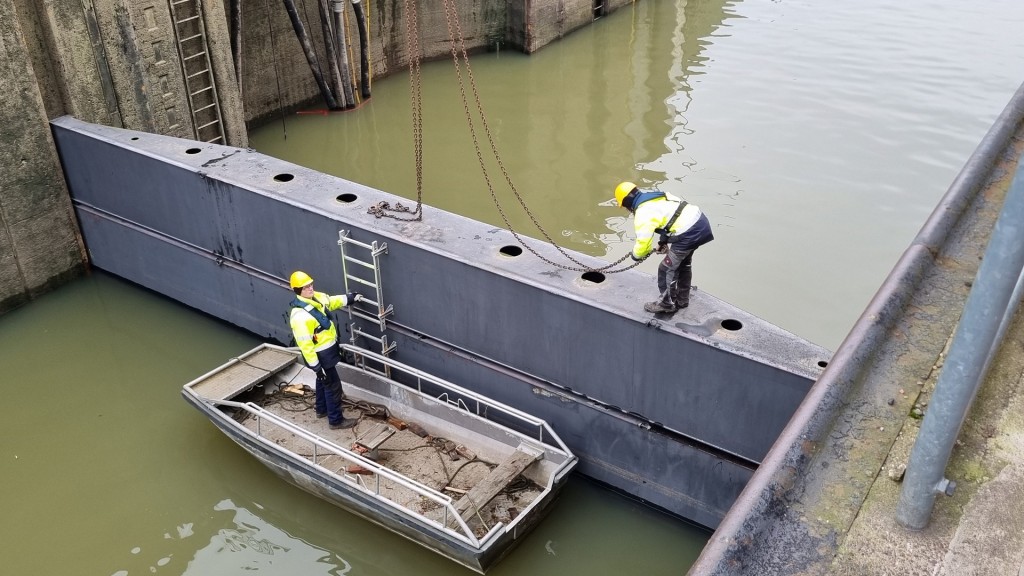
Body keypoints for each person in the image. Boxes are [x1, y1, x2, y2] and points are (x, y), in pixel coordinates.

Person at [614, 181, 714, 314]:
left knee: (665, 269)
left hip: (688, 233)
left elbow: (643, 243)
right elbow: (672, 217)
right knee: (684, 264)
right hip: (700, 223)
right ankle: (682, 300)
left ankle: (666, 304)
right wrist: (663, 242)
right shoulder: (655, 196)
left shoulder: (642, 212)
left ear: (627, 203)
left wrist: (635, 256)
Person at [288, 270, 362, 429]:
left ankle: (321, 410)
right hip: (320, 356)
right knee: (333, 386)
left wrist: (349, 298)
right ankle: (336, 420)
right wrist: (316, 367)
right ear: (298, 290)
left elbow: (330, 301)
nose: (310, 288)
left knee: (322, 381)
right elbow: (305, 346)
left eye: (310, 285)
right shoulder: (300, 317)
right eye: (305, 287)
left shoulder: (315, 298)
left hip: (328, 351)